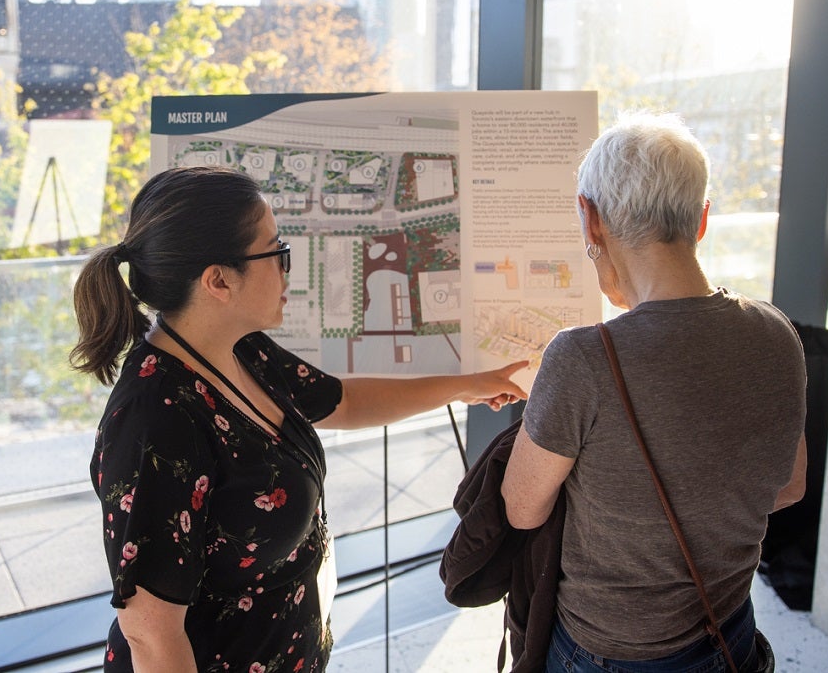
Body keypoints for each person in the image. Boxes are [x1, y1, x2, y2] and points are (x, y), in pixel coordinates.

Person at [72, 165, 528, 673]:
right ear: (218, 280)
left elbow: (344, 402)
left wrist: (468, 384)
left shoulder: (240, 350)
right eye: (277, 252)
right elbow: (151, 633)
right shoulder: (154, 419)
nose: (289, 269)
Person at [500, 113, 807, 672]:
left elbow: (521, 511)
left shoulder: (581, 359)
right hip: (728, 633)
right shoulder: (776, 333)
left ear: (590, 220)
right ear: (702, 219)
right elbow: (788, 485)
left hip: (609, 653)